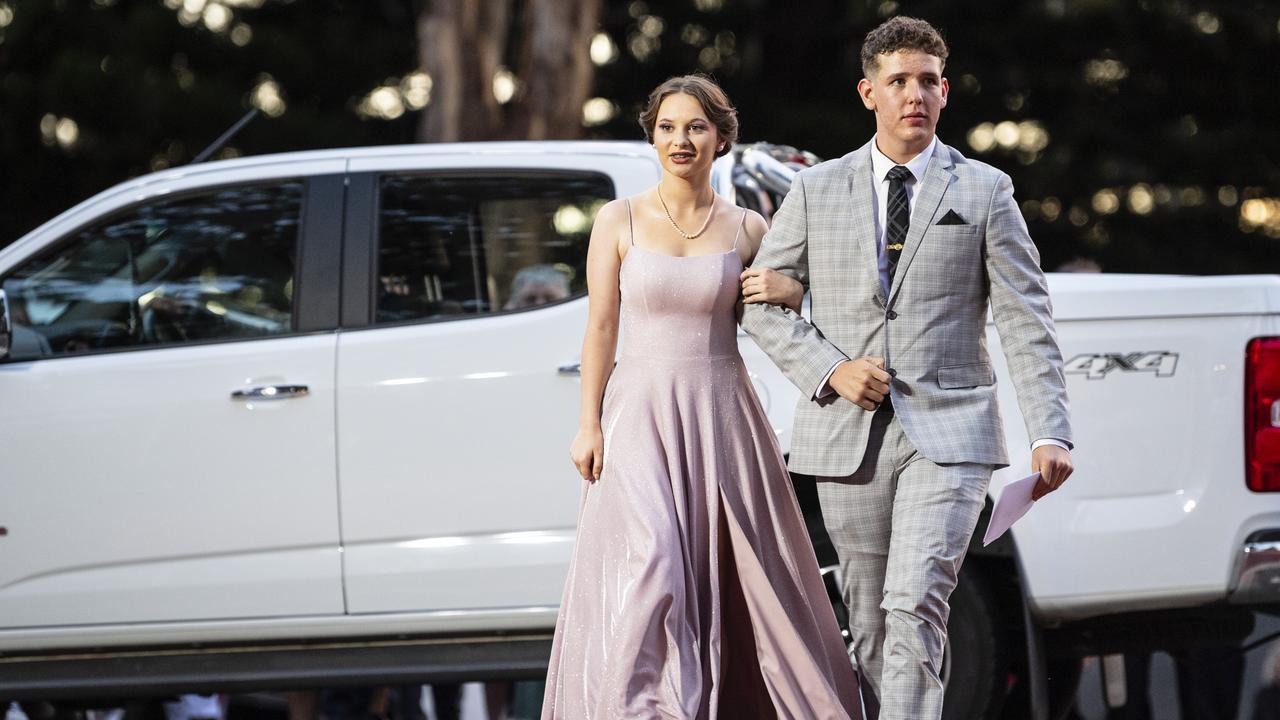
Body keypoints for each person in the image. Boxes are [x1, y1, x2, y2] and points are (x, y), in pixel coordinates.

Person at [739, 16, 1075, 720]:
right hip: (845, 437)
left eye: (927, 81)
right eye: (898, 81)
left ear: (945, 91)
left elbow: (1025, 318)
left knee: (914, 600)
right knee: (868, 623)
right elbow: (758, 305)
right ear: (870, 92)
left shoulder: (986, 191)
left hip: (951, 435)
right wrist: (832, 369)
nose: (913, 94)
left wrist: (1052, 432)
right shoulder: (814, 192)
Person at [541, 75, 863, 719]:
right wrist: (588, 425)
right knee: (652, 560)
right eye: (666, 127)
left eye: (694, 127)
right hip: (638, 416)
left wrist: (793, 291)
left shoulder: (748, 227)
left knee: (736, 579)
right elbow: (601, 326)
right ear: (652, 136)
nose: (679, 140)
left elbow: (791, 308)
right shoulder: (617, 218)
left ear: (721, 137)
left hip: (721, 414)